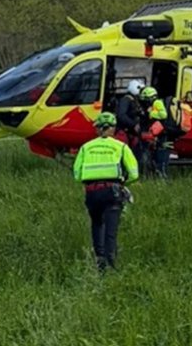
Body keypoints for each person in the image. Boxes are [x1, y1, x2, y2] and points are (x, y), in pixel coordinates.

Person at [72, 112, 139, 271]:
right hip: (113, 191)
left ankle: (99, 259)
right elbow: (135, 174)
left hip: (92, 192)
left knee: (96, 224)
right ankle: (112, 264)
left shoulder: (86, 147)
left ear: (99, 128)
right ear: (112, 128)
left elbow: (77, 175)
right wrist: (123, 183)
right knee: (111, 229)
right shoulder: (121, 146)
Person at [139, 86, 169, 178]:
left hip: (161, 134)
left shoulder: (157, 102)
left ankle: (161, 175)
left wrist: (150, 113)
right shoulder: (154, 104)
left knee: (161, 155)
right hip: (157, 133)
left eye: (146, 99)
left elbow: (163, 115)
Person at [116, 79, 144, 165]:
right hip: (126, 131)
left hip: (131, 132)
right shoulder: (126, 100)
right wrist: (133, 124)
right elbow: (121, 115)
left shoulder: (133, 100)